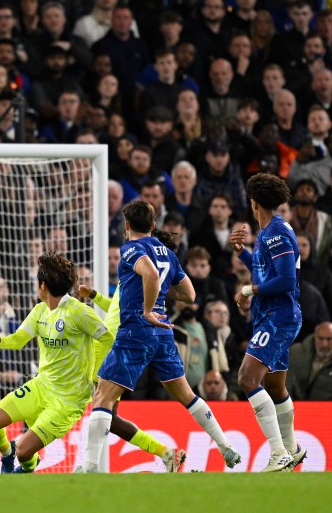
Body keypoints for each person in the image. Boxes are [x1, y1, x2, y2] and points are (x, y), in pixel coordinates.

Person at [81, 200, 240, 473]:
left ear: (127, 225)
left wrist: (147, 310)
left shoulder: (131, 248)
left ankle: (88, 468)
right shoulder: (166, 252)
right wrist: (159, 302)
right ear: (153, 226)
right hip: (162, 332)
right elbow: (189, 294)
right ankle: (225, 445)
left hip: (136, 329)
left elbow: (151, 274)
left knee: (102, 398)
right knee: (187, 395)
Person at [0, 251, 113, 474]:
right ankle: (7, 454)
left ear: (42, 285)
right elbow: (20, 339)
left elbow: (107, 338)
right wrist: (2, 341)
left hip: (68, 400)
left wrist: (95, 373)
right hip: (41, 386)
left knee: (24, 450)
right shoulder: (40, 311)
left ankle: (24, 467)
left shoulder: (80, 312)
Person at [230, 173, 308, 471]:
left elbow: (286, 280)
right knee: (275, 386)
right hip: (273, 316)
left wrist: (249, 289)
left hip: (279, 317)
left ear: (253, 203)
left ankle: (278, 454)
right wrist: (243, 254)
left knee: (247, 379)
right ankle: (291, 448)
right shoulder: (270, 232)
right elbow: (266, 270)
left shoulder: (275, 233)